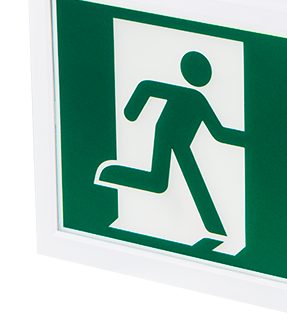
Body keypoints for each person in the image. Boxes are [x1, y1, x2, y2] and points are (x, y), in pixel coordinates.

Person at [98, 51, 243, 236]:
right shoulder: (192, 97)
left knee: (158, 182)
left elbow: (219, 132)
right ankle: (215, 227)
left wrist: (250, 140)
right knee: (164, 181)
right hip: (167, 136)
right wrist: (132, 111)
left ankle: (111, 174)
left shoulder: (198, 99)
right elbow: (147, 87)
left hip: (182, 142)